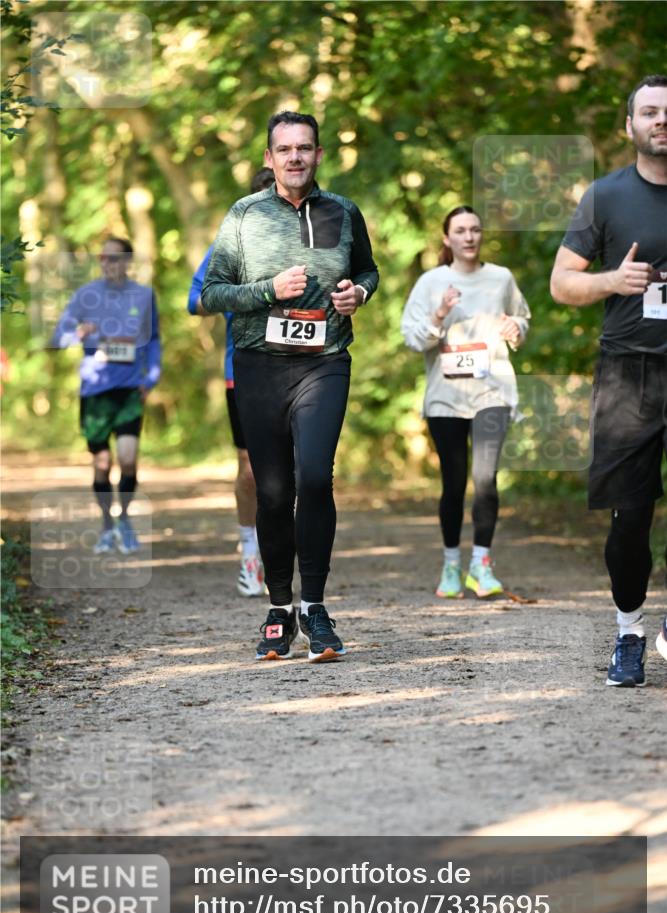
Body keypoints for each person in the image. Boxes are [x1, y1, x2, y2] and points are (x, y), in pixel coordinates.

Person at [201, 110, 379, 661]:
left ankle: (316, 607)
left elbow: (369, 271)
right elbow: (212, 292)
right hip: (259, 364)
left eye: (305, 148)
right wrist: (268, 289)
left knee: (314, 478)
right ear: (269, 159)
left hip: (324, 360)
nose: (295, 157)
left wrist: (360, 295)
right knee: (274, 491)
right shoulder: (245, 215)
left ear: (319, 155)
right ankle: (280, 608)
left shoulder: (342, 211)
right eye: (285, 149)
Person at [551, 74, 667, 688]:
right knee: (631, 518)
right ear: (630, 127)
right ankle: (629, 634)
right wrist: (611, 283)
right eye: (649, 112)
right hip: (630, 372)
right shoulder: (605, 196)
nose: (660, 121)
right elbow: (561, 282)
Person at [401, 206, 530, 599]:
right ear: (447, 239)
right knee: (453, 483)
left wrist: (515, 328)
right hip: (446, 398)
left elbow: (522, 320)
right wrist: (440, 313)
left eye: (475, 229)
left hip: (493, 392)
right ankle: (451, 565)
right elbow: (412, 338)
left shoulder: (501, 278)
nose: (470, 237)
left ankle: (482, 565)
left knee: (486, 480)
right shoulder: (431, 282)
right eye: (460, 230)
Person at [187, 167, 274, 598]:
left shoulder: (313, 238)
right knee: (252, 470)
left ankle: (286, 552)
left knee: (297, 469)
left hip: (304, 369)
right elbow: (196, 299)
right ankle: (250, 554)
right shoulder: (230, 244)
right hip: (242, 370)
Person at [52, 236, 160, 553]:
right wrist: (77, 333)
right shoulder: (85, 295)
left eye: (114, 258)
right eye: (102, 258)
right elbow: (59, 337)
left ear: (128, 262)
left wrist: (151, 377)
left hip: (129, 389)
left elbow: (153, 340)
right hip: (95, 390)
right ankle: (106, 526)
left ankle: (124, 520)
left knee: (127, 459)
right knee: (101, 463)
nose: (107, 263)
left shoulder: (143, 296)